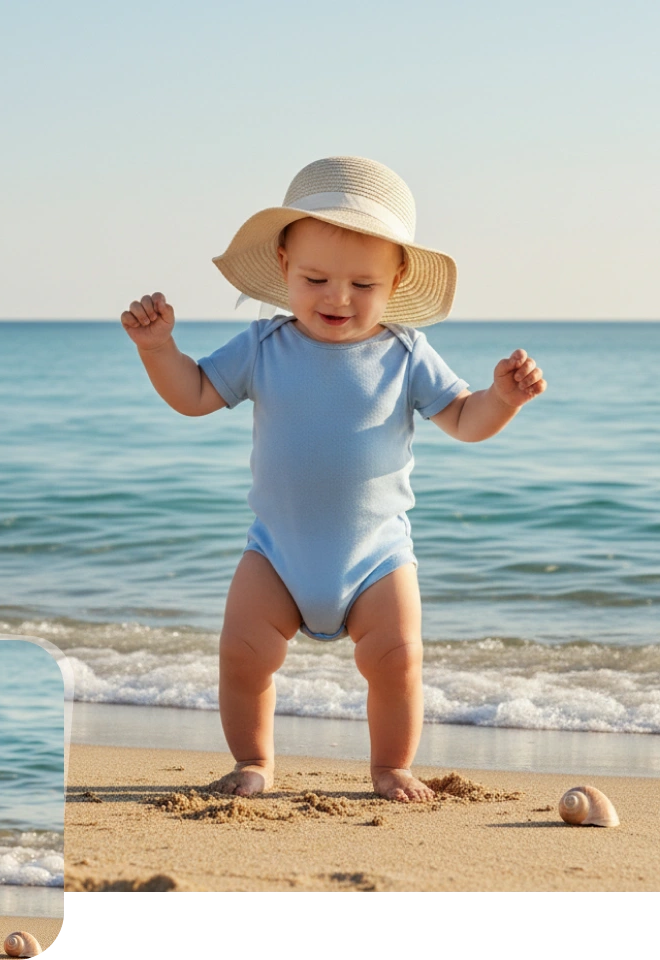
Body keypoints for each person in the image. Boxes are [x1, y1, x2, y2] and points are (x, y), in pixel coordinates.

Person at [121, 156, 546, 802]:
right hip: (276, 555)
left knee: (398, 660)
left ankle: (390, 767)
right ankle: (253, 760)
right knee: (241, 655)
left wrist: (503, 400)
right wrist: (159, 351)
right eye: (316, 277)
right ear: (284, 264)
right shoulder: (263, 347)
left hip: (377, 557)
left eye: (363, 284)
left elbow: (463, 418)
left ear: (397, 279)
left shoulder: (406, 354)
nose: (337, 298)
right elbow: (197, 393)